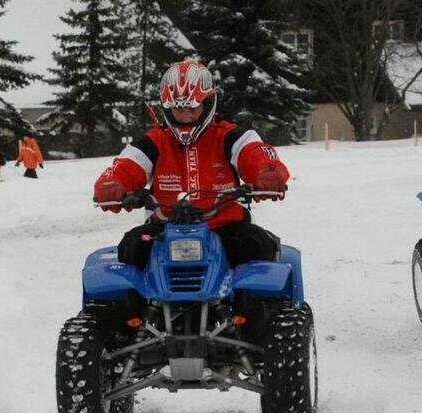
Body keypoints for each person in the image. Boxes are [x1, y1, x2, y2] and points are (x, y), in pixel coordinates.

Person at [93, 60, 290, 269]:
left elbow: (255, 153)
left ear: (207, 103)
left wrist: (268, 173)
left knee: (257, 245)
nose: (185, 113)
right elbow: (125, 166)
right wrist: (112, 186)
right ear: (167, 107)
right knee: (132, 247)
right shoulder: (154, 141)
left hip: (225, 227)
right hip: (164, 228)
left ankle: (255, 302)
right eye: (178, 107)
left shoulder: (230, 136)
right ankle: (139, 302)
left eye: (192, 106)